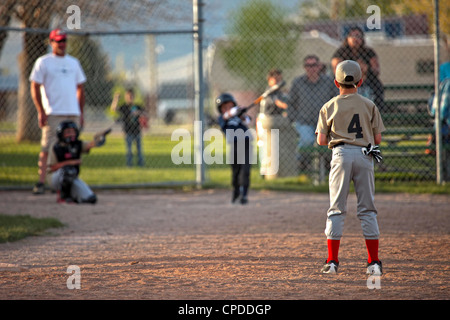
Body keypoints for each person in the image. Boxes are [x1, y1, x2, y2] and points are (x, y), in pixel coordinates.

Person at [315, 60, 386, 275]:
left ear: (336, 83)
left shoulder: (329, 105)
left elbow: (321, 140)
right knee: (367, 209)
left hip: (341, 154)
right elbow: (378, 139)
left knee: (336, 208)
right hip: (365, 154)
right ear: (360, 81)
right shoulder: (368, 104)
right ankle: (373, 263)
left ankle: (332, 262)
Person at [29, 28, 86, 194]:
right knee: (48, 147)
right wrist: (41, 110)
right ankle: (41, 182)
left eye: (64, 41)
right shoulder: (44, 62)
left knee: (73, 148)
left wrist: (81, 112)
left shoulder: (73, 62)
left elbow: (80, 88)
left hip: (72, 112)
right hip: (53, 112)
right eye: (58, 41)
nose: (62, 44)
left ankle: (68, 183)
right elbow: (35, 85)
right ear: (51, 42)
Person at [288, 55, 338, 169]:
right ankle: (303, 165)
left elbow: (336, 101)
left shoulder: (328, 82)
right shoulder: (298, 82)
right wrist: (294, 118)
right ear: (304, 67)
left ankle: (326, 166)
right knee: (307, 141)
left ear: (319, 66)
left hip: (325, 123)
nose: (311, 68)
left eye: (314, 65)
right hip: (304, 121)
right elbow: (291, 103)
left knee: (329, 143)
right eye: (308, 66)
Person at [331, 26, 386, 112]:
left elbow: (376, 70)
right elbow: (336, 70)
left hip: (367, 81)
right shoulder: (341, 52)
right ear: (347, 38)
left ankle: (376, 112)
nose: (355, 39)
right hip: (347, 82)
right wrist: (354, 70)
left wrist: (366, 69)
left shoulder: (368, 51)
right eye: (352, 36)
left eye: (358, 36)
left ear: (362, 39)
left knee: (377, 86)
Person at [47, 121, 98, 204]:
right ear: (61, 133)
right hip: (55, 178)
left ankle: (72, 196)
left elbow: (89, 145)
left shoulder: (77, 144)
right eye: (68, 132)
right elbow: (52, 168)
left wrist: (98, 140)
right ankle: (63, 197)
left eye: (73, 131)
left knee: (91, 199)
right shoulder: (56, 147)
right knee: (68, 170)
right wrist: (71, 162)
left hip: (72, 178)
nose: (71, 134)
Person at [216, 93, 253, 204]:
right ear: (221, 110)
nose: (228, 109)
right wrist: (234, 111)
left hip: (246, 143)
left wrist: (242, 113)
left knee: (245, 170)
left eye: (230, 106)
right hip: (235, 146)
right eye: (225, 107)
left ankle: (244, 194)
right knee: (235, 172)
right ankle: (236, 192)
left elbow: (247, 120)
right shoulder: (222, 119)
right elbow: (226, 116)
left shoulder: (239, 117)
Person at [257, 68, 288, 177]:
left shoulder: (279, 92)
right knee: (264, 145)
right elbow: (278, 103)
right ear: (269, 80)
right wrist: (287, 106)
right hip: (265, 120)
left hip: (275, 121)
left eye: (279, 79)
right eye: (275, 79)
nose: (278, 81)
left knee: (274, 146)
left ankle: (272, 169)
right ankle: (264, 171)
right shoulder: (269, 91)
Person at [110, 89, 146, 167]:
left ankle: (141, 164)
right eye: (129, 96)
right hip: (128, 131)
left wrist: (138, 113)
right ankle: (129, 164)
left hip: (137, 131)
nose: (130, 98)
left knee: (139, 149)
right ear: (126, 97)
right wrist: (116, 98)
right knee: (129, 150)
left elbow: (145, 113)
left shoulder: (137, 106)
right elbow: (113, 108)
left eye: (131, 96)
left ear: (134, 97)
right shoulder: (124, 107)